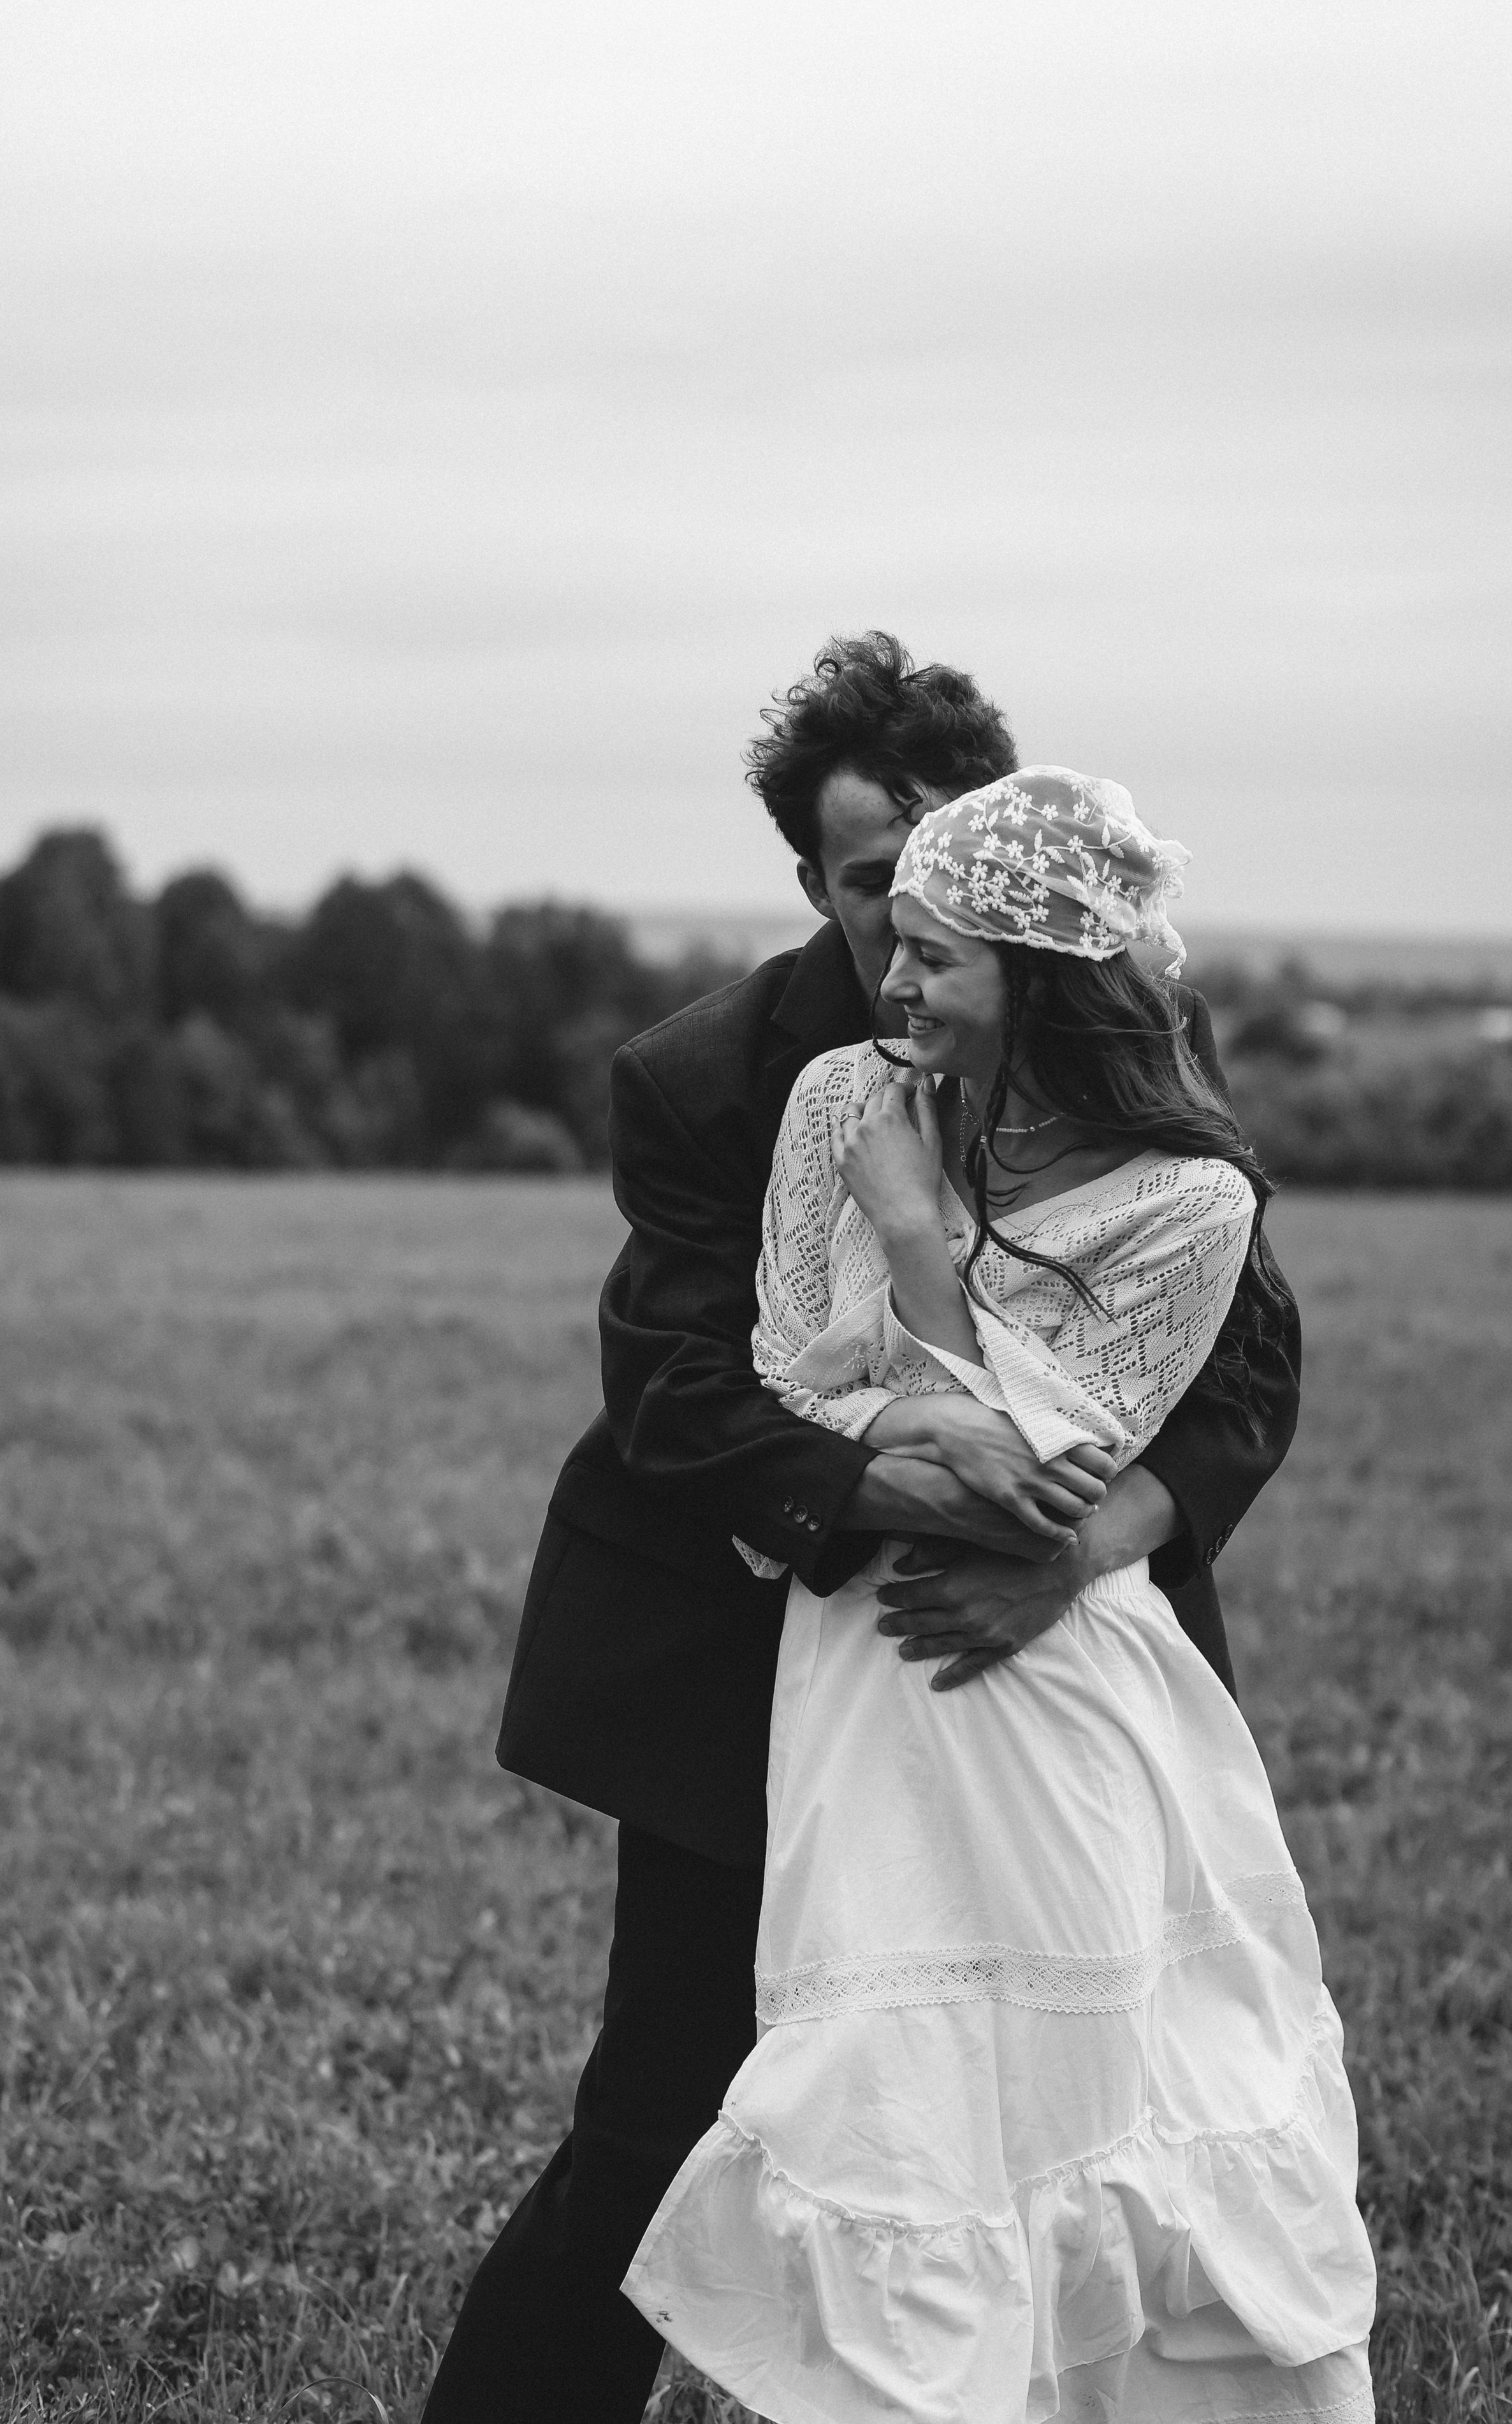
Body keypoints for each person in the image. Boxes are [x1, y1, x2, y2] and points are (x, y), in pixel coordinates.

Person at [420, 638, 1301, 2424]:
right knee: (677, 2102)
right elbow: (679, 1382)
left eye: (948, 875)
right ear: (811, 884)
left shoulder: (1122, 1019)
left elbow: (1247, 1354)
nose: (914, 922)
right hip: (747, 1642)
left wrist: (1068, 1544)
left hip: (1051, 1632)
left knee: (1104, 2090)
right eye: (870, 885)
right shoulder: (717, 1077)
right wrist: (904, 1488)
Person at [624, 771, 1376, 2421]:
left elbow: (1043, 1476)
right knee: (878, 2099)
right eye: (894, 938)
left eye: (937, 956)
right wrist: (928, 1408)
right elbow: (775, 1378)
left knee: (1094, 2103)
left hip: (1052, 1682)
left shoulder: (1194, 1199)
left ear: (1040, 976)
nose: (891, 980)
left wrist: (907, 1257)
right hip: (861, 1676)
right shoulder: (836, 1100)